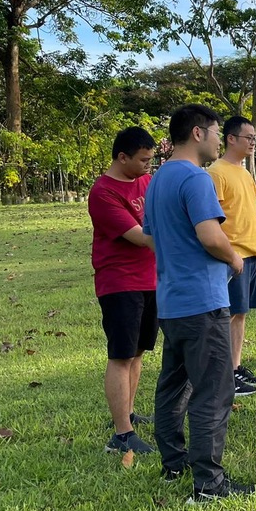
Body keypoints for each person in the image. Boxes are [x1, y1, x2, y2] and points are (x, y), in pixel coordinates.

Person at [143, 104, 254, 502]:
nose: (217, 139)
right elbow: (210, 235)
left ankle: (174, 463)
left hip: (170, 302)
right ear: (197, 134)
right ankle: (208, 485)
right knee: (214, 389)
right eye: (215, 132)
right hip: (202, 303)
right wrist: (234, 257)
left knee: (173, 385)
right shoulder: (195, 178)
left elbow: (155, 237)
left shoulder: (157, 180)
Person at [88, 126, 159, 455]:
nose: (149, 165)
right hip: (120, 283)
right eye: (144, 160)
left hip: (150, 279)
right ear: (122, 157)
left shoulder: (144, 180)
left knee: (139, 351)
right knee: (120, 356)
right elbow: (142, 237)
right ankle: (121, 435)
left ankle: (128, 413)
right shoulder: (103, 193)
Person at [209, 116, 256, 397]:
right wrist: (231, 254)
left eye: (255, 138)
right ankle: (225, 374)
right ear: (231, 139)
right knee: (228, 315)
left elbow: (249, 214)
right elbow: (214, 220)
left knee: (240, 314)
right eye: (249, 138)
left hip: (251, 254)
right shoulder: (216, 172)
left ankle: (236, 366)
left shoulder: (243, 172)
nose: (253, 143)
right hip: (233, 257)